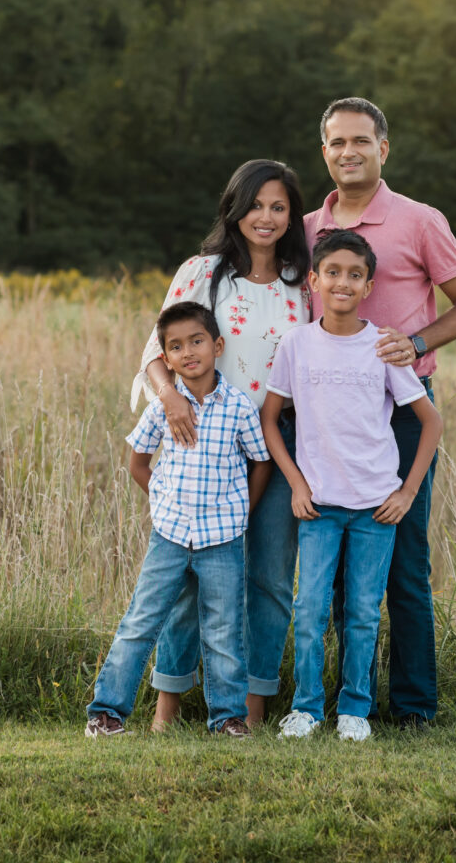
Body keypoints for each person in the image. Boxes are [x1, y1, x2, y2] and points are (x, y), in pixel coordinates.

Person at [303, 97, 456, 728]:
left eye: (360, 140)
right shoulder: (305, 229)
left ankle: (412, 708)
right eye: (335, 143)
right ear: (323, 152)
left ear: (385, 147)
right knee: (330, 570)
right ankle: (338, 701)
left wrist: (416, 343)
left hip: (403, 413)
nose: (348, 152)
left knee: (404, 558)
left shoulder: (419, 220)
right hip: (327, 416)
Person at [131, 159, 311, 728]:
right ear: (235, 207)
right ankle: (168, 705)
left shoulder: (302, 283)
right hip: (205, 439)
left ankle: (251, 710)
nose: (266, 217)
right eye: (255, 205)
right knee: (188, 577)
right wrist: (171, 398)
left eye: (278, 207)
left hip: (278, 443)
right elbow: (154, 351)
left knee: (270, 578)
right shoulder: (203, 272)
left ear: (292, 216)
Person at [261, 231, 443, 741]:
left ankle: (354, 712)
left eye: (355, 275)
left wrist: (406, 493)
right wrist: (296, 484)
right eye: (333, 273)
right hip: (318, 506)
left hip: (374, 508)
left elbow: (431, 422)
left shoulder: (383, 346)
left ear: (368, 286)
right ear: (314, 280)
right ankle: (306, 709)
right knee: (311, 609)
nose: (343, 282)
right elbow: (271, 421)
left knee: (363, 612)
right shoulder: (296, 344)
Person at [86, 301, 270, 737]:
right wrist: (165, 500)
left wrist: (243, 511)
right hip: (169, 536)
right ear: (164, 358)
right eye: (175, 346)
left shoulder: (239, 408)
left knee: (224, 630)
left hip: (222, 539)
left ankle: (227, 719)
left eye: (197, 341)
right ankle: (107, 714)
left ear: (217, 345)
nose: (188, 352)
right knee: (141, 622)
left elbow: (260, 463)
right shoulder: (162, 410)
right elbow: (137, 463)